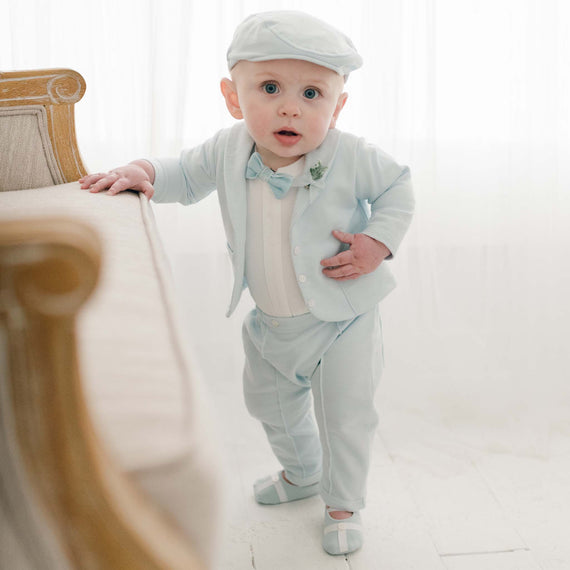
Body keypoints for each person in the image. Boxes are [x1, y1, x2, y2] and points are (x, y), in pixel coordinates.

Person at [80, 10, 414, 556]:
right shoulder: (227, 149)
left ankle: (342, 503)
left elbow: (398, 187)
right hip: (271, 321)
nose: (290, 106)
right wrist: (146, 171)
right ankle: (302, 472)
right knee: (268, 402)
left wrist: (377, 242)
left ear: (338, 106)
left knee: (346, 414)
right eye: (270, 87)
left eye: (312, 93)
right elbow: (184, 175)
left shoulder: (351, 156)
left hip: (344, 318)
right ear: (234, 98)